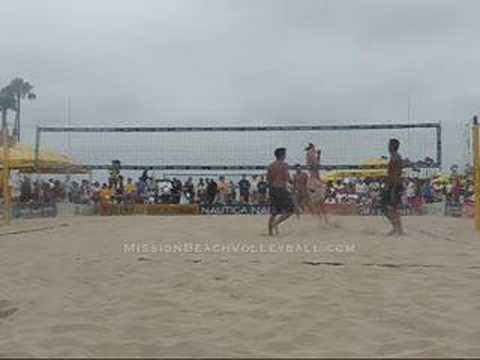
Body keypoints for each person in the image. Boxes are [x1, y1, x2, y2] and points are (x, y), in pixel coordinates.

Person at [267, 148, 294, 235]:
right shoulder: (284, 165)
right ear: (282, 155)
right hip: (281, 189)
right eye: (285, 154)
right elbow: (287, 178)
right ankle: (275, 224)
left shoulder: (271, 165)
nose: (286, 155)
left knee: (274, 212)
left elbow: (269, 179)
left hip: (272, 189)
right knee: (291, 210)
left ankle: (270, 231)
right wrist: (294, 183)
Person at [382, 138, 404, 236]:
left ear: (392, 147)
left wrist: (392, 189)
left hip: (394, 185)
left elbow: (395, 175)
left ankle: (397, 228)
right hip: (394, 185)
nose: (388, 147)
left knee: (384, 207)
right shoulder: (395, 157)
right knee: (393, 208)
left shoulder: (395, 158)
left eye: (389, 145)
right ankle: (398, 229)